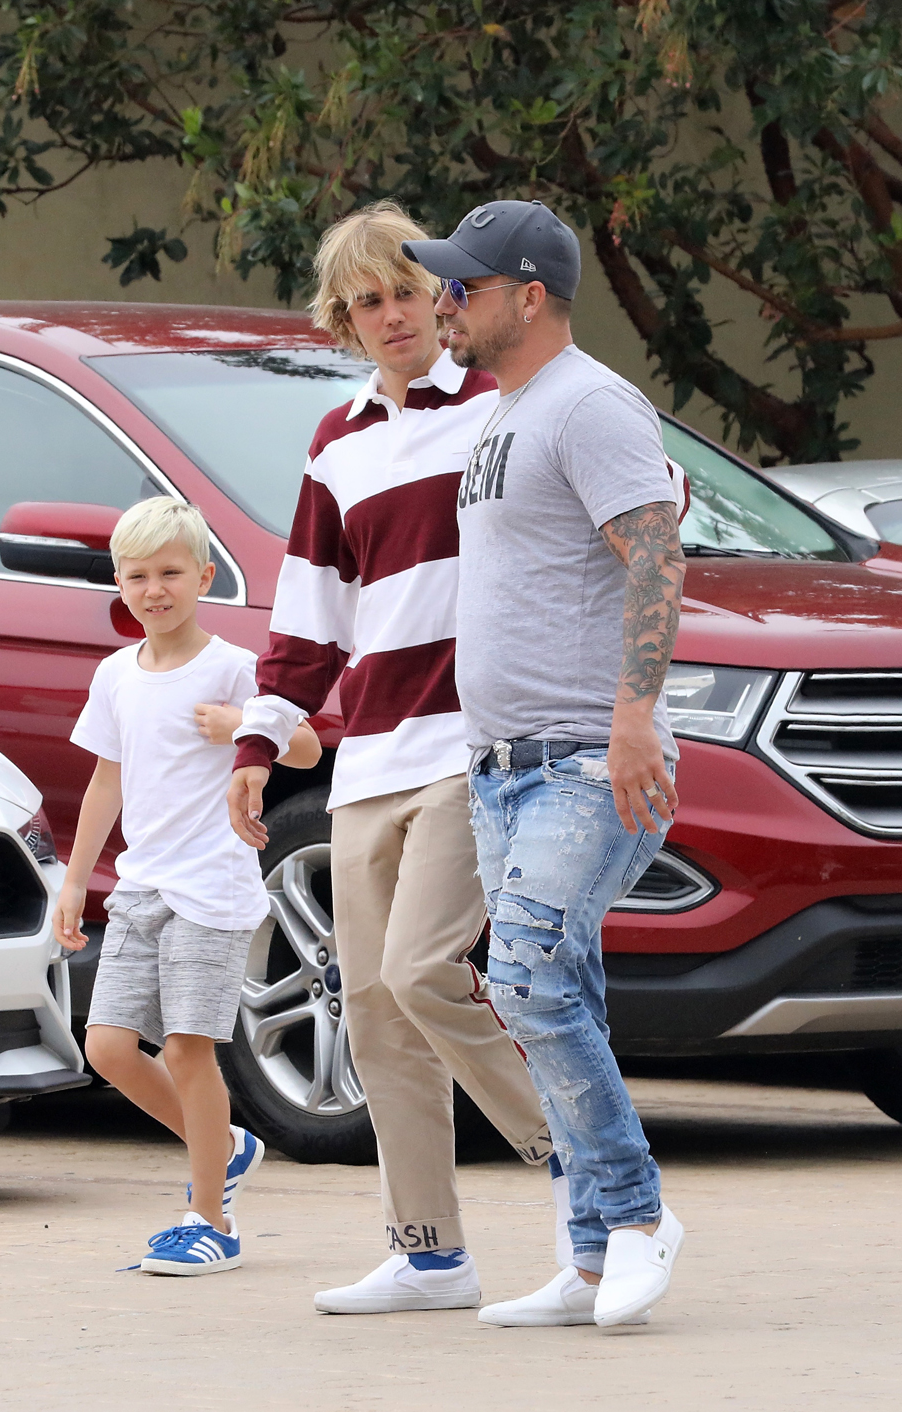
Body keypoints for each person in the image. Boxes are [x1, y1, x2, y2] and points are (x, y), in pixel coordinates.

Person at [228, 200, 555, 1316]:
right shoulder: (339, 442)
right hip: (368, 756)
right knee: (369, 1004)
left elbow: (631, 490)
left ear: (444, 298)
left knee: (424, 971)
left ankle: (593, 1172)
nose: (390, 314)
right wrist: (260, 739)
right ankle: (429, 1251)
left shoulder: (507, 402)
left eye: (407, 292)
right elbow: (310, 615)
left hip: (475, 740)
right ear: (346, 321)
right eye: (367, 301)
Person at [403, 199, 688, 1329]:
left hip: (584, 756)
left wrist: (633, 715)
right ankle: (583, 1259)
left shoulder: (590, 404)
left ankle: (634, 1216)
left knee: (519, 972)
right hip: (502, 765)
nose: (441, 304)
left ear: (530, 294)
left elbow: (656, 553)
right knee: (556, 985)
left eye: (462, 288)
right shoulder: (505, 413)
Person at [53, 497, 320, 1276]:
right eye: (137, 576)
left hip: (211, 890)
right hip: (141, 889)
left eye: (171, 572)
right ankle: (225, 1146)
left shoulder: (233, 667)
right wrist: (76, 885)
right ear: (119, 584)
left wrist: (243, 724)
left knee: (187, 1048)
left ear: (204, 576)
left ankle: (211, 1220)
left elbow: (303, 747)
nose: (154, 589)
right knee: (106, 1047)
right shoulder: (114, 675)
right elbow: (107, 780)